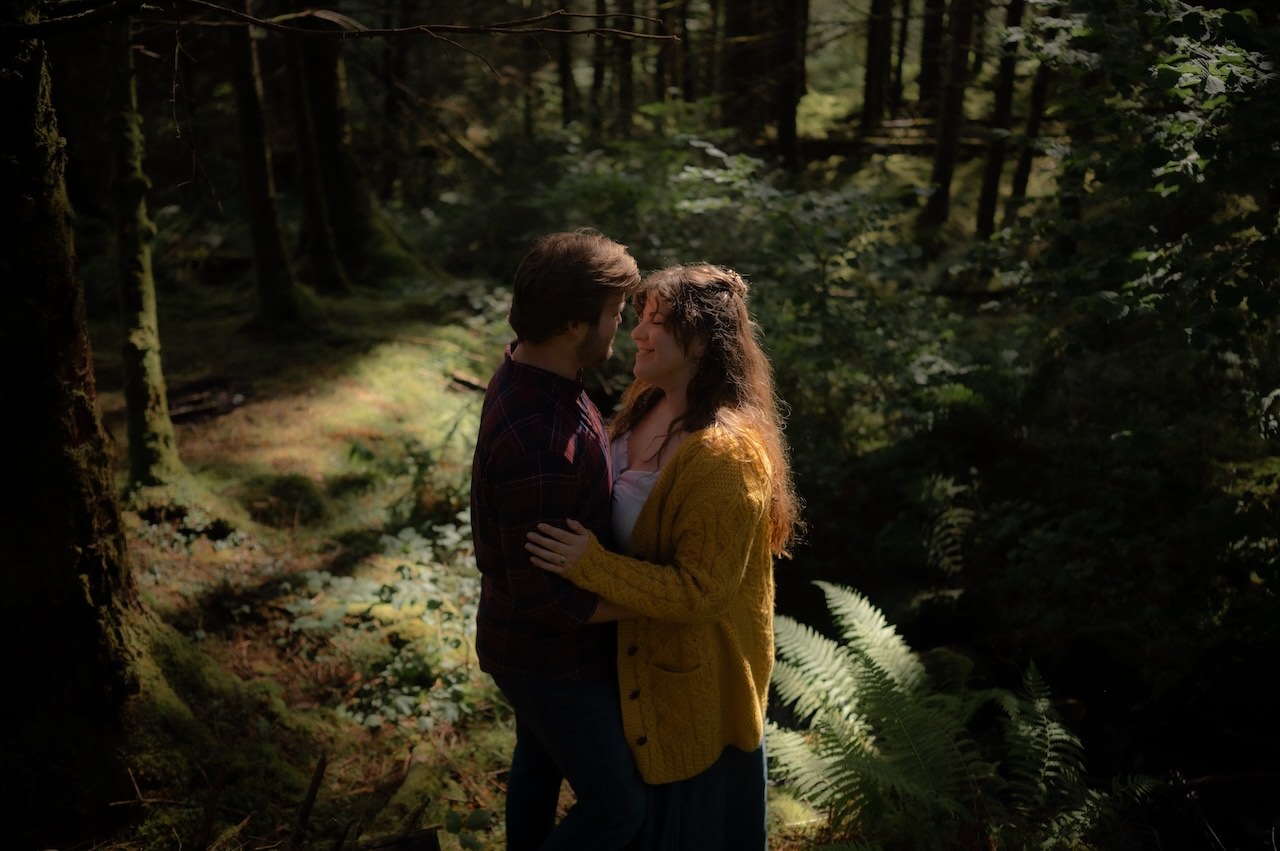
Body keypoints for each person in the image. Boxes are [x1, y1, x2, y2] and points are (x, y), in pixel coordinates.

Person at [525, 263, 803, 850]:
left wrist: (590, 565)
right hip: (633, 672)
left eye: (656, 322)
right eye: (639, 318)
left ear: (699, 344)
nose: (637, 333)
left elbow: (701, 592)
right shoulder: (649, 401)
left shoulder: (726, 456)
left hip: (693, 696)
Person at [470, 229, 645, 850]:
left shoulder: (535, 372)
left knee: (538, 768)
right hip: (549, 659)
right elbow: (548, 599)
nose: (621, 328)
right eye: (615, 314)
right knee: (618, 811)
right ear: (574, 324)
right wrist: (655, 602)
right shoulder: (542, 439)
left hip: (527, 646)